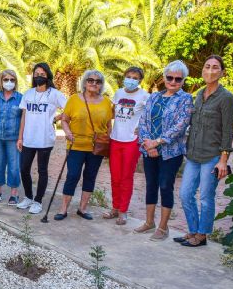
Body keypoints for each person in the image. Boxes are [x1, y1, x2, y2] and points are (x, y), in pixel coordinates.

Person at [177, 55, 233, 247]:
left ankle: (202, 235)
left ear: (222, 72)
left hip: (212, 156)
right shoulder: (199, 94)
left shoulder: (226, 98)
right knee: (185, 194)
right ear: (202, 70)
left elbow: (227, 131)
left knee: (206, 198)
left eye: (215, 67)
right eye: (207, 66)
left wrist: (223, 160)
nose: (210, 70)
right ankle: (193, 230)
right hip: (193, 154)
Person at [136, 60, 193, 241]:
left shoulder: (185, 99)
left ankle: (163, 227)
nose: (173, 81)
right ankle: (149, 222)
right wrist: (147, 144)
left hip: (171, 152)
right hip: (149, 150)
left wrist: (157, 143)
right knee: (151, 184)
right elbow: (143, 120)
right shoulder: (153, 97)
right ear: (164, 77)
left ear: (183, 80)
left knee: (165, 186)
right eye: (170, 77)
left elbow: (180, 126)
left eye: (178, 79)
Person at [56, 70, 113, 220]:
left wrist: (108, 141)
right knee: (72, 175)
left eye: (98, 81)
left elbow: (108, 125)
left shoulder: (107, 102)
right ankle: (63, 209)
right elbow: (64, 119)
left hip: (97, 147)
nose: (94, 83)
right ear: (85, 82)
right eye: (90, 80)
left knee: (90, 176)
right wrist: (67, 132)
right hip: (76, 145)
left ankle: (82, 208)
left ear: (101, 84)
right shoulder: (74, 99)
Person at [16, 63, 67, 214]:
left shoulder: (55, 94)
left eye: (42, 74)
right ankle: (28, 197)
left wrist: (56, 118)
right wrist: (20, 137)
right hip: (28, 138)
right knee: (24, 169)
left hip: (45, 139)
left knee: (42, 170)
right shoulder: (28, 93)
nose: (39, 76)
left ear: (47, 76)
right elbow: (24, 116)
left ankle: (38, 201)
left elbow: (69, 110)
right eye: (36, 73)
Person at [103, 66, 149, 225]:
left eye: (134, 77)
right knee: (115, 176)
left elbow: (150, 116)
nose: (130, 79)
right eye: (128, 76)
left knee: (126, 177)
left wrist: (142, 129)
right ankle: (115, 208)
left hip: (132, 141)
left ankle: (123, 210)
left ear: (140, 80)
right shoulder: (119, 93)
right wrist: (108, 129)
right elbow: (111, 113)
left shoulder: (144, 95)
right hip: (115, 140)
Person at [0, 69, 23, 205]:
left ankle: (14, 194)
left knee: (14, 166)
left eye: (12, 80)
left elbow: (23, 120)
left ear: (15, 82)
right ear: (1, 81)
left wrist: (20, 138)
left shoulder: (20, 98)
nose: (9, 82)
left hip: (13, 138)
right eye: (6, 79)